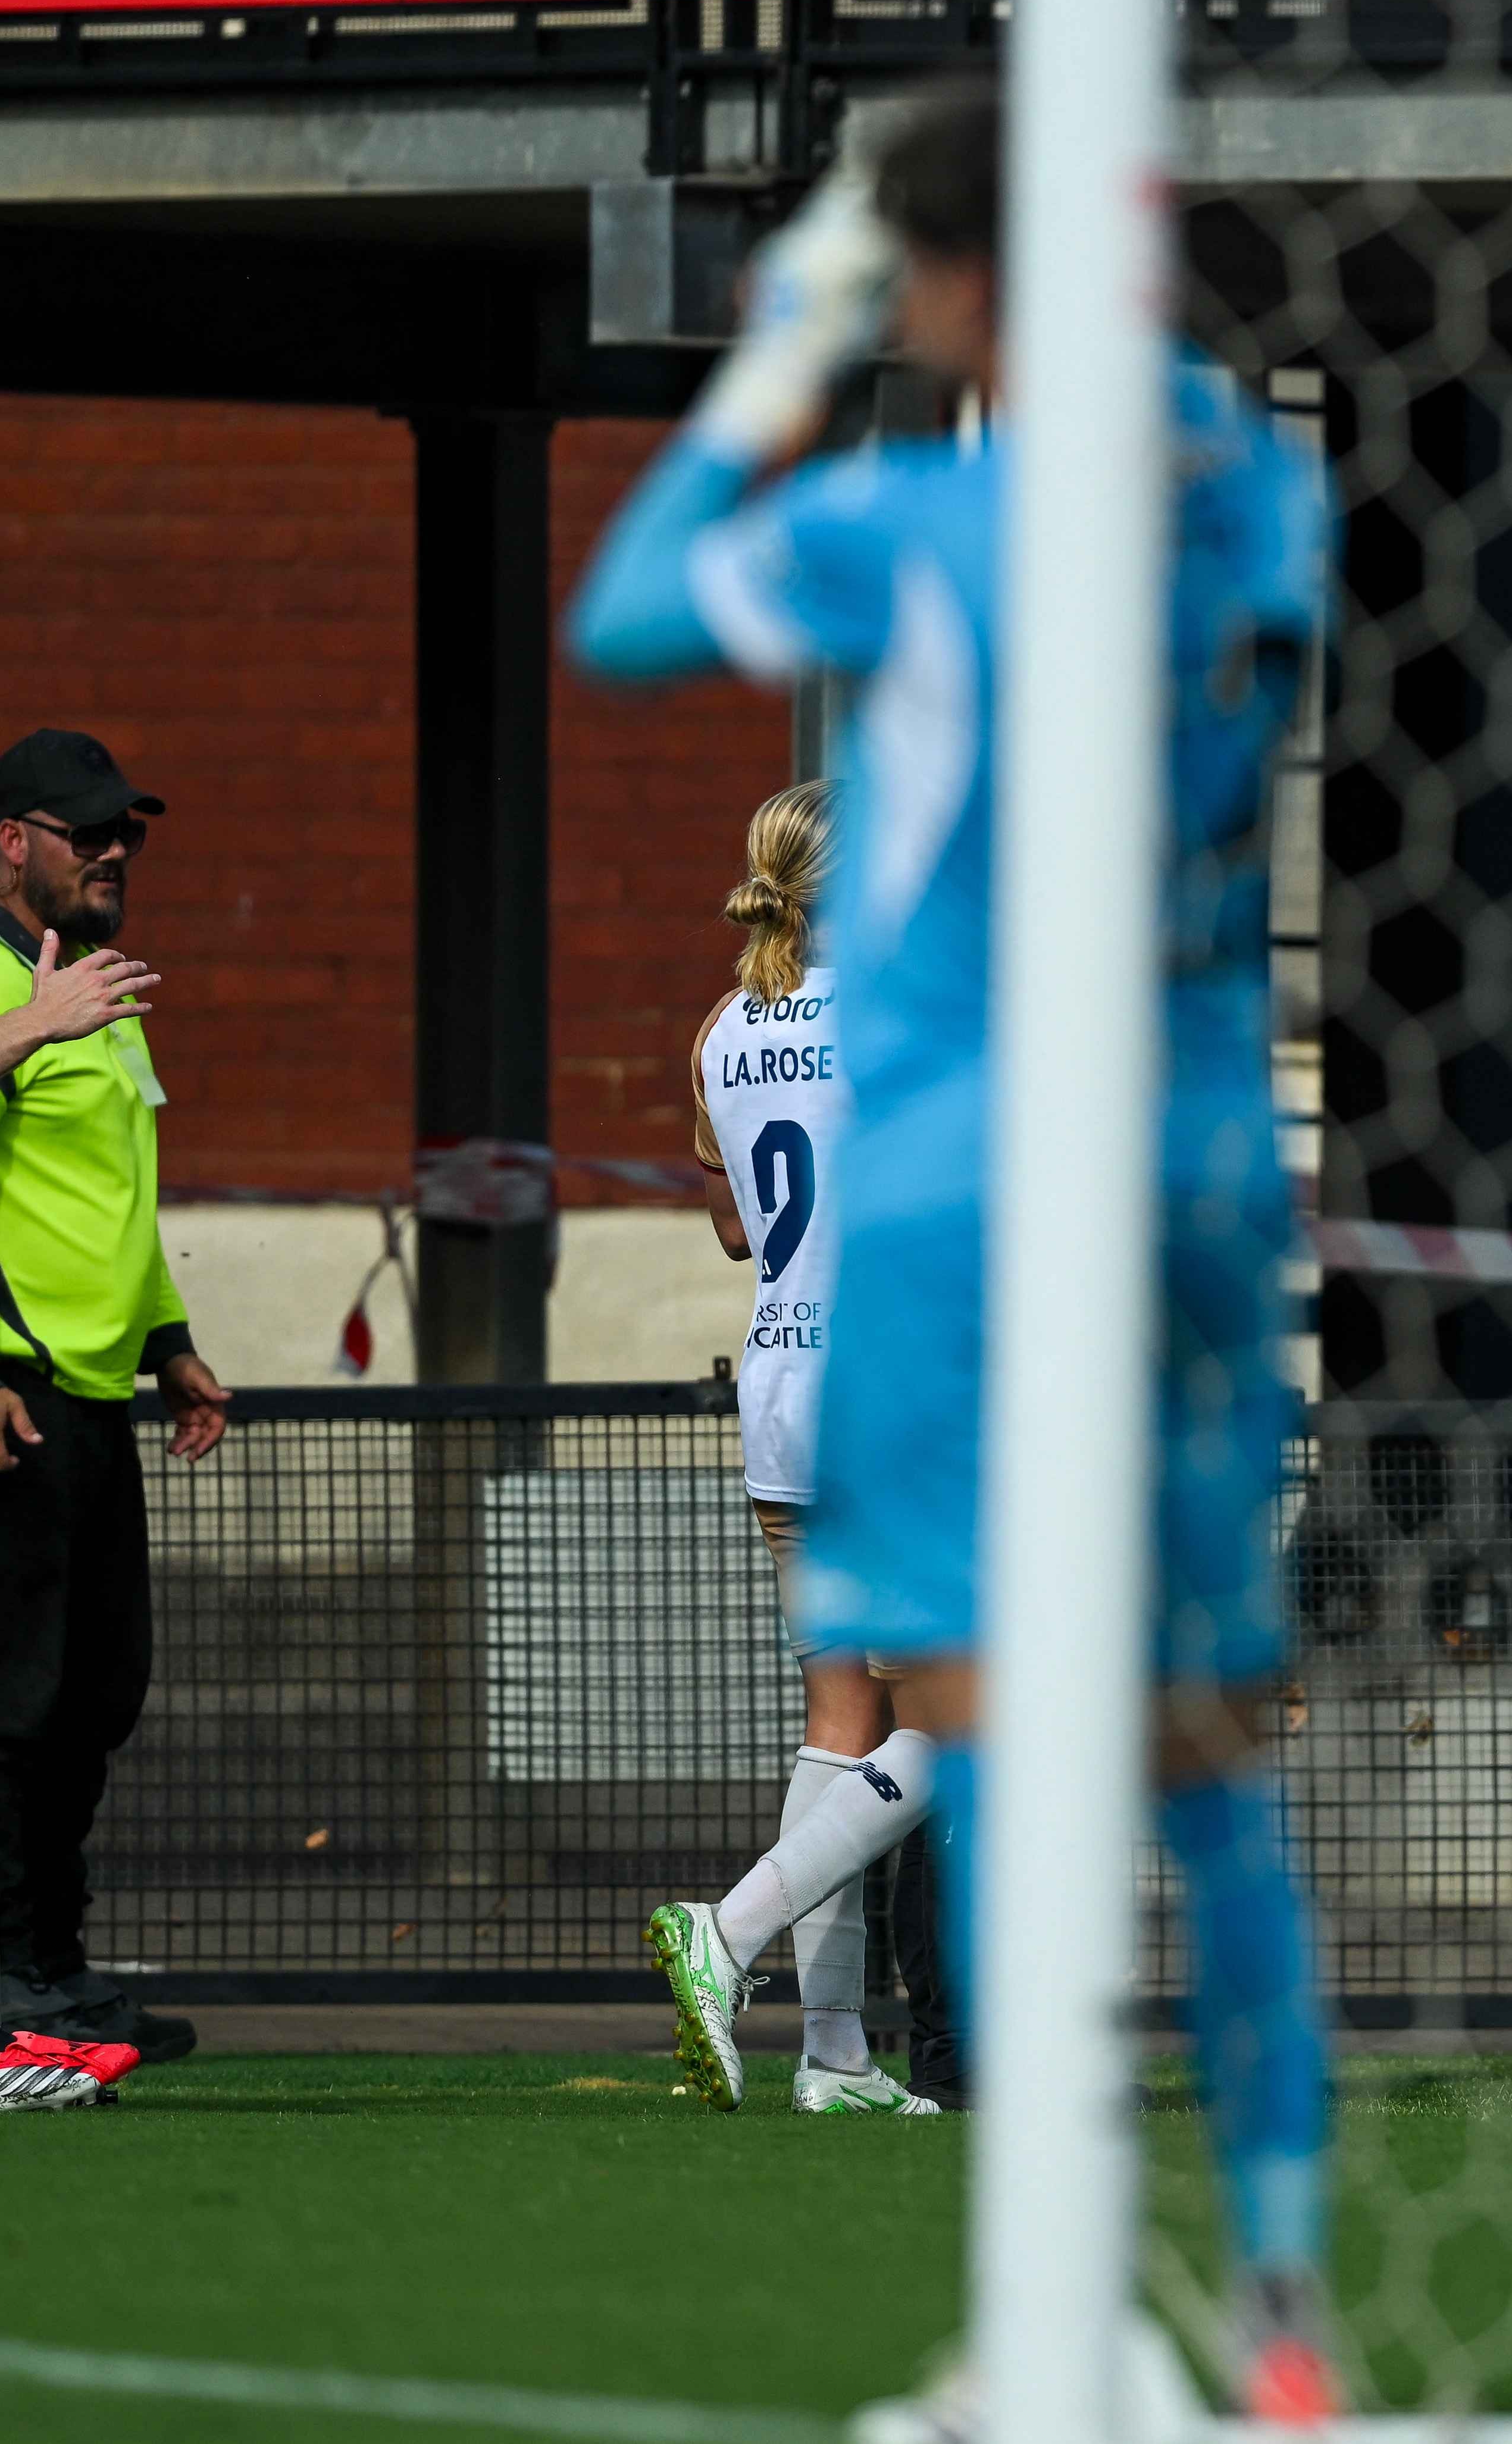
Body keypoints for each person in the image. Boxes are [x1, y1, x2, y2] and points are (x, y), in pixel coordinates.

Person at [567, 89, 1337, 2420]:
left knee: (955, 1724)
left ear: (926, 280)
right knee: (1180, 1745)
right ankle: (1273, 2314)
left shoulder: (913, 527)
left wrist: (792, 347)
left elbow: (624, 605)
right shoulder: (1237, 497)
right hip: (1163, 1154)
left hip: (906, 1233)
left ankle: (1005, 2240)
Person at [0, 728, 229, 2071]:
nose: (114, 851)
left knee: (93, 1691)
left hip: (79, 1395)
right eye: (86, 832)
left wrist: (169, 1339)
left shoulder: (78, 989)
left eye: (125, 831)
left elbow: (100, 1202)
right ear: (14, 843)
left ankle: (51, 1970)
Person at [659, 780, 940, 2116]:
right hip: (890, 1389)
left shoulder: (721, 1026)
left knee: (842, 1719)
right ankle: (727, 1931)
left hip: (781, 1381)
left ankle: (834, 2058)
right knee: (974, 1715)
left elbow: (735, 1233)